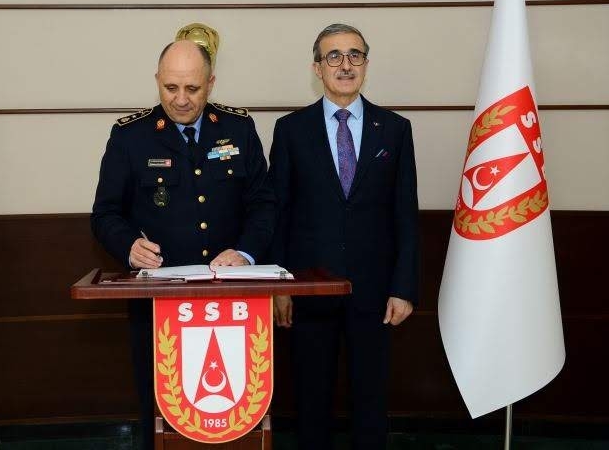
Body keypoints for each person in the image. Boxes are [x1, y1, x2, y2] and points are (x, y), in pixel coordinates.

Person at [91, 38, 274, 449]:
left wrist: (246, 252)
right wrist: (128, 245)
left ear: (211, 83)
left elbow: (263, 204)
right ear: (157, 80)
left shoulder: (238, 129)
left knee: (234, 406)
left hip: (234, 299)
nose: (180, 99)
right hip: (158, 303)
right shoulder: (130, 136)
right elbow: (104, 214)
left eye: (192, 88)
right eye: (170, 88)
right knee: (161, 409)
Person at [269, 23, 420, 449]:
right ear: (317, 68)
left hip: (374, 293)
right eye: (333, 56)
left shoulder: (394, 129)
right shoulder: (290, 130)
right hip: (309, 290)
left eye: (355, 55)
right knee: (311, 402)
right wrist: (280, 287)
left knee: (370, 403)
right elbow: (278, 214)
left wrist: (404, 287)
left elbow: (405, 214)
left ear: (366, 64)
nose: (345, 64)